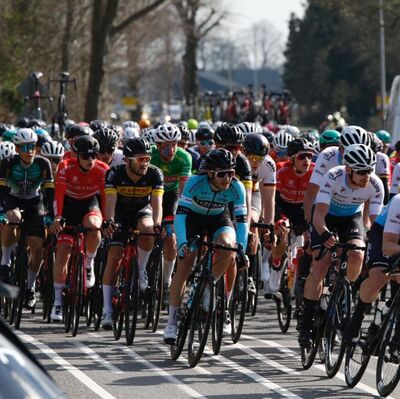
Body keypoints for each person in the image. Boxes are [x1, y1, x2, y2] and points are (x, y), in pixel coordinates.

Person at [298, 144, 384, 347]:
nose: (366, 176)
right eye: (361, 171)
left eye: (369, 170)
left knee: (357, 255)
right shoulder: (333, 176)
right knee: (320, 264)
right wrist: (325, 234)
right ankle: (307, 322)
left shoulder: (375, 184)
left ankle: (340, 294)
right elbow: (318, 214)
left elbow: (377, 223)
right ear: (348, 169)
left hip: (351, 219)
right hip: (327, 218)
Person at [163, 149, 248, 344]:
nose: (227, 178)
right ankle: (172, 322)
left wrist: (241, 248)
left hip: (218, 218)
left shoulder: (237, 187)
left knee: (229, 247)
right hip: (193, 219)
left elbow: (242, 221)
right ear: (210, 173)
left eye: (231, 173)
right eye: (222, 174)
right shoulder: (195, 182)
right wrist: (183, 241)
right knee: (185, 265)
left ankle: (211, 285)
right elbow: (181, 215)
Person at [101, 138, 163, 329]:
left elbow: (157, 204)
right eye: (140, 160)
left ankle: (142, 269)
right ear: (127, 160)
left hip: (141, 211)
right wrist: (109, 221)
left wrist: (157, 223)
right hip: (120, 212)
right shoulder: (114, 173)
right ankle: (107, 311)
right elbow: (110, 202)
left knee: (148, 228)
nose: (145, 163)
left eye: (147, 159)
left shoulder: (154, 173)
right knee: (114, 257)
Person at [49, 136, 109, 322]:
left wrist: (106, 220)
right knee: (63, 252)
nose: (90, 159)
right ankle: (57, 301)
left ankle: (88, 263)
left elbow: (105, 198)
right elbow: (58, 193)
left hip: (89, 204)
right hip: (68, 205)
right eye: (85, 155)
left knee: (94, 226)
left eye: (93, 155)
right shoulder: (66, 166)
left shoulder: (102, 169)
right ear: (77, 156)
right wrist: (58, 217)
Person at [0, 128, 54, 310]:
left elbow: (50, 194)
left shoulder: (43, 163)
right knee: (13, 217)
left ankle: (30, 288)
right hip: (12, 198)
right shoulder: (7, 163)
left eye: (32, 146)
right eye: (24, 147)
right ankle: (5, 262)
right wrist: (2, 212)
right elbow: (1, 191)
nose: (29, 151)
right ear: (17, 149)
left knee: (37, 246)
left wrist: (50, 216)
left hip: (34, 201)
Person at [150, 123, 192, 305]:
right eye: (166, 145)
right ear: (158, 146)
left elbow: (183, 194)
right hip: (150, 194)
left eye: (174, 144)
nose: (171, 149)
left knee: (171, 238)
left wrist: (179, 217)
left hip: (172, 197)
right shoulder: (150, 155)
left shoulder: (184, 158)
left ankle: (166, 282)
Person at [268, 138, 315, 293]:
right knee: (283, 233)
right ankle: (276, 265)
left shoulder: (315, 172)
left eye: (309, 156)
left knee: (309, 239)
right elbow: (273, 199)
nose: (307, 160)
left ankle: (303, 273)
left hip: (302, 209)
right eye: (302, 157)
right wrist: (278, 218)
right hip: (284, 207)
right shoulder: (281, 169)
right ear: (292, 158)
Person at [242, 133, 276, 292]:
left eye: (260, 158)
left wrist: (269, 227)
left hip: (254, 194)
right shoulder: (236, 160)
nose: (256, 162)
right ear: (244, 153)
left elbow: (269, 200)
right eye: (253, 158)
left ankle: (249, 274)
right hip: (235, 195)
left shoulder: (269, 165)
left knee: (253, 222)